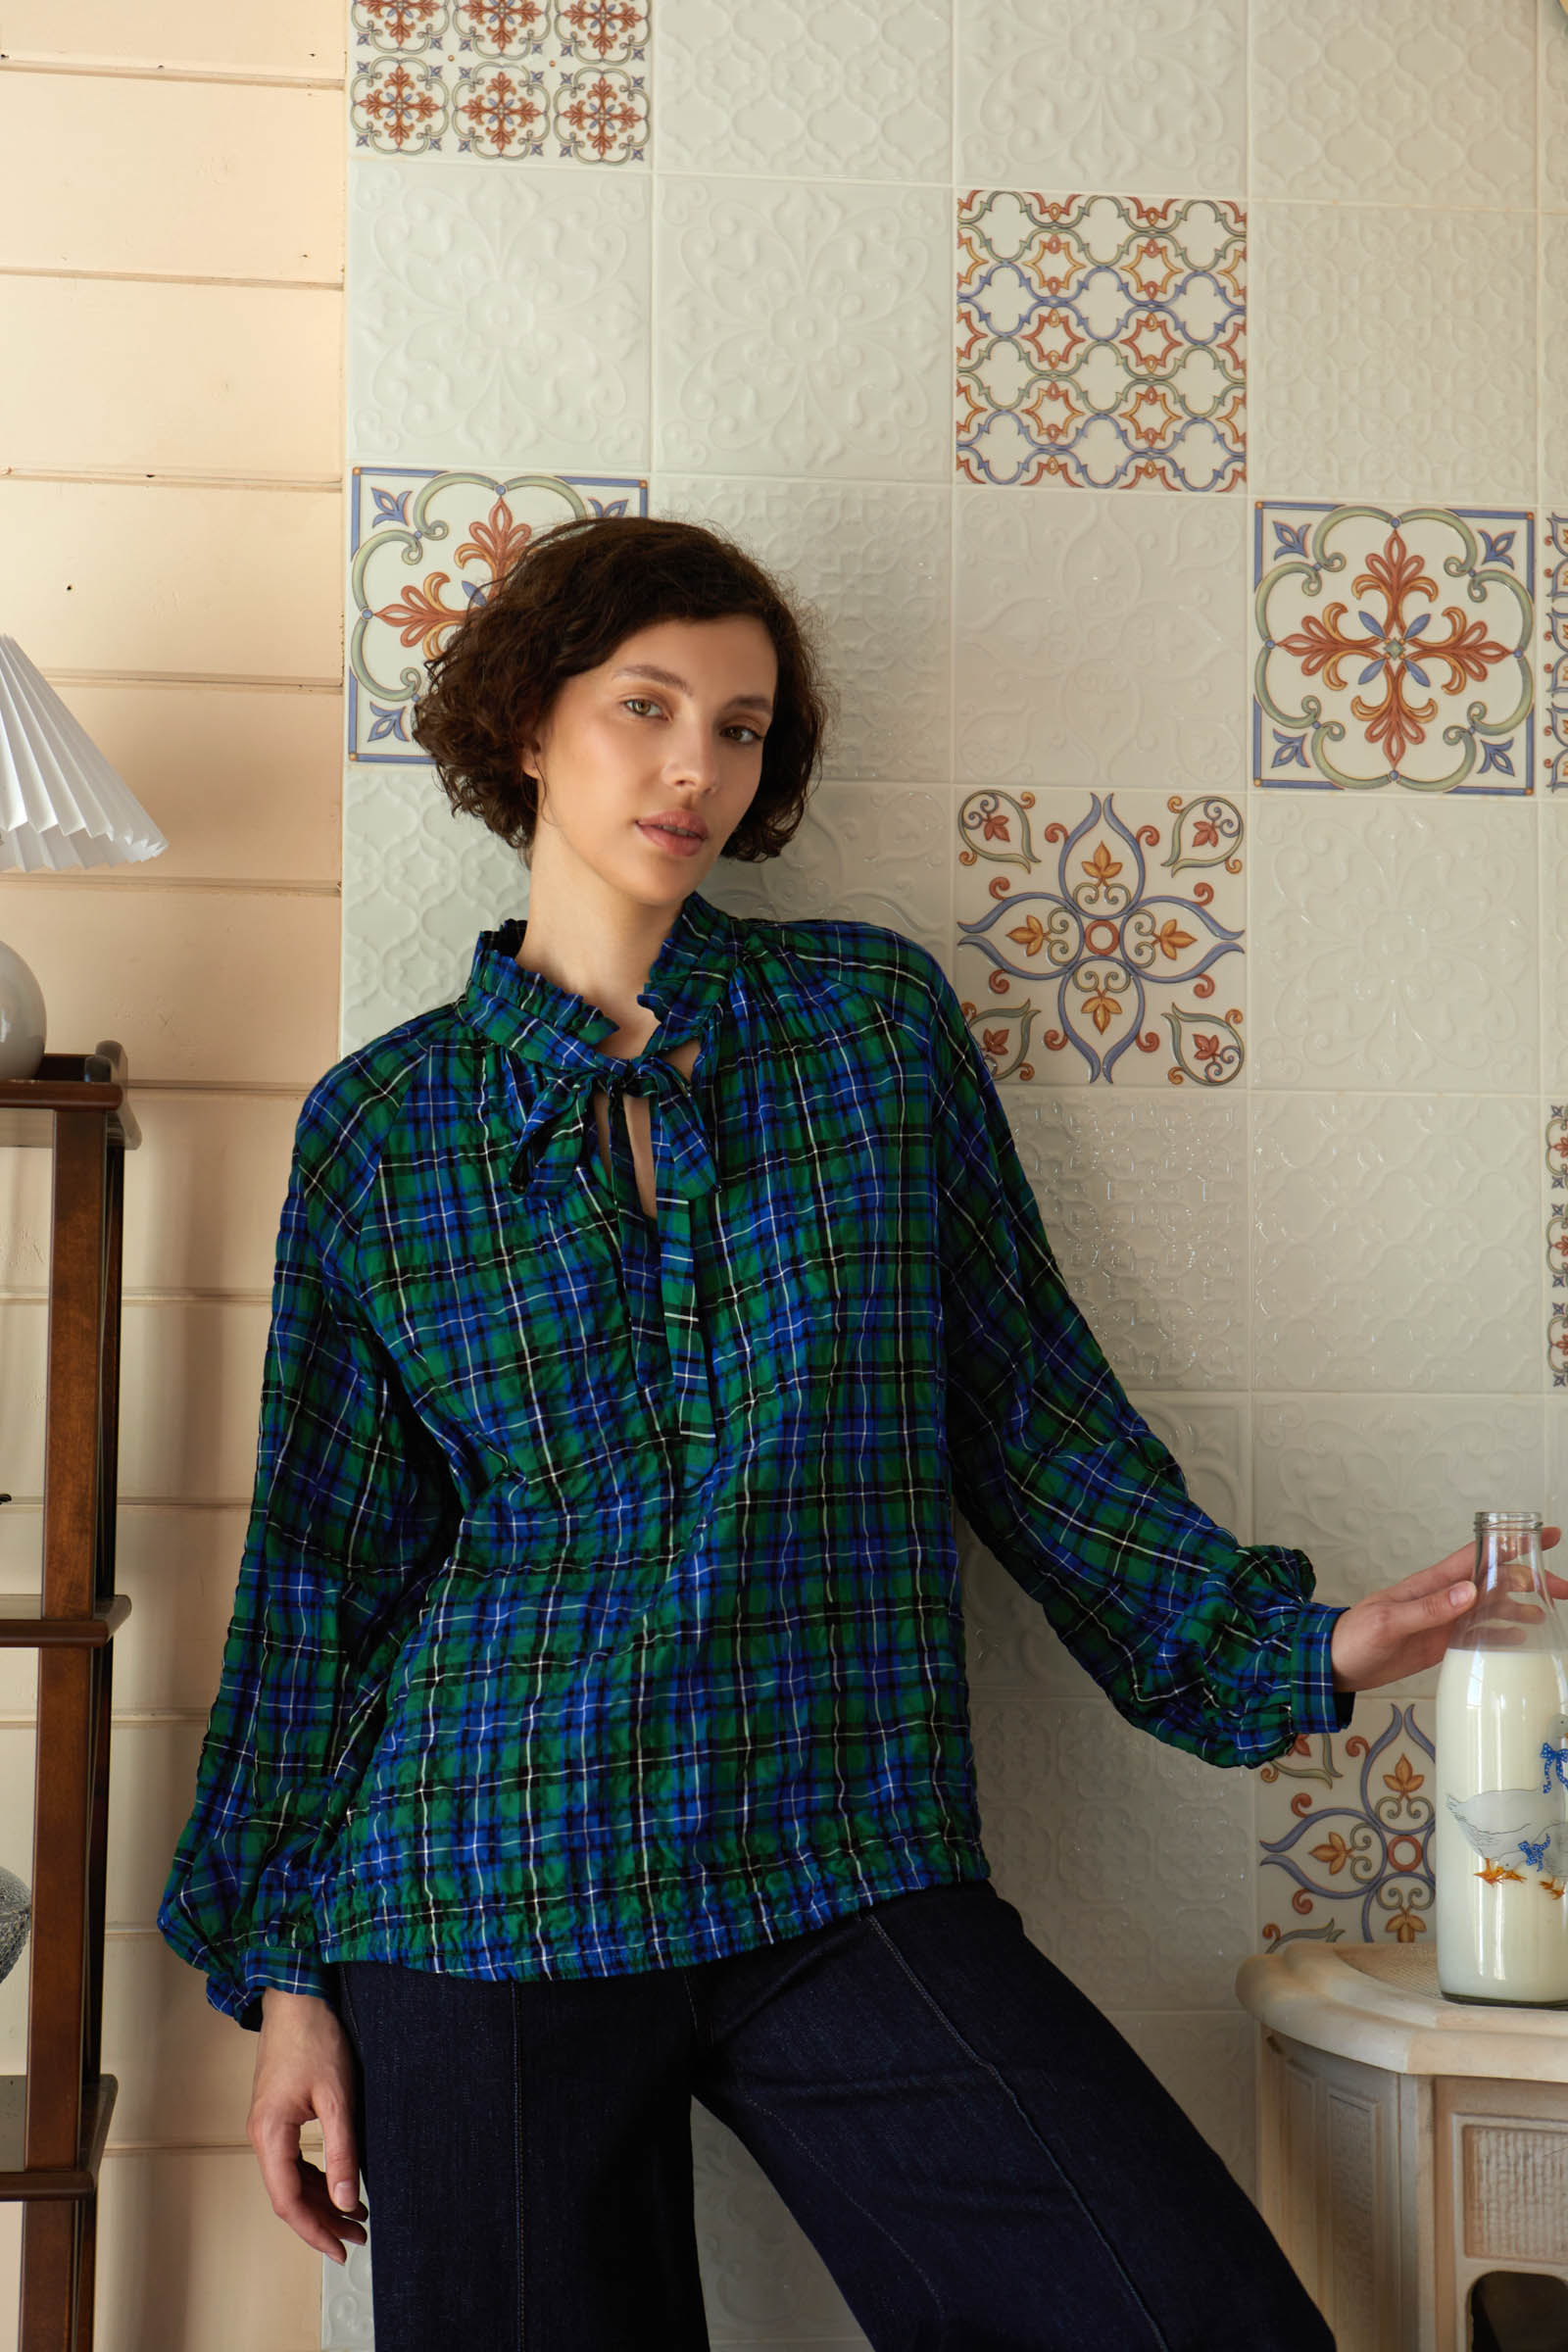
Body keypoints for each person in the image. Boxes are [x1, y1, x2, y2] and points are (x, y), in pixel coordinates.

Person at [157, 514, 1564, 2351]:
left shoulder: (866, 1031)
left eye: (739, 728)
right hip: (481, 1869)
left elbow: (1029, 1410)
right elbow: (320, 1579)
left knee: (1179, 2316)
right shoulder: (384, 1128)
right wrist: (288, 1979)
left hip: (836, 1839)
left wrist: (1292, 1645)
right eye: (646, 706)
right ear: (525, 726)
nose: (695, 766)